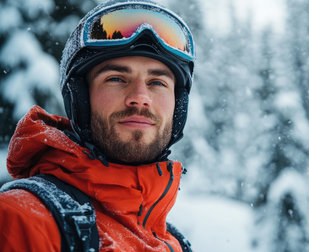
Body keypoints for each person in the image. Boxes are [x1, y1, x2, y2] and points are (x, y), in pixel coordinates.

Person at [0, 0, 195, 251]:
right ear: (80, 99)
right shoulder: (21, 220)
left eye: (157, 82)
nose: (140, 97)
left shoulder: (174, 242)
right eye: (116, 78)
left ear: (177, 106)